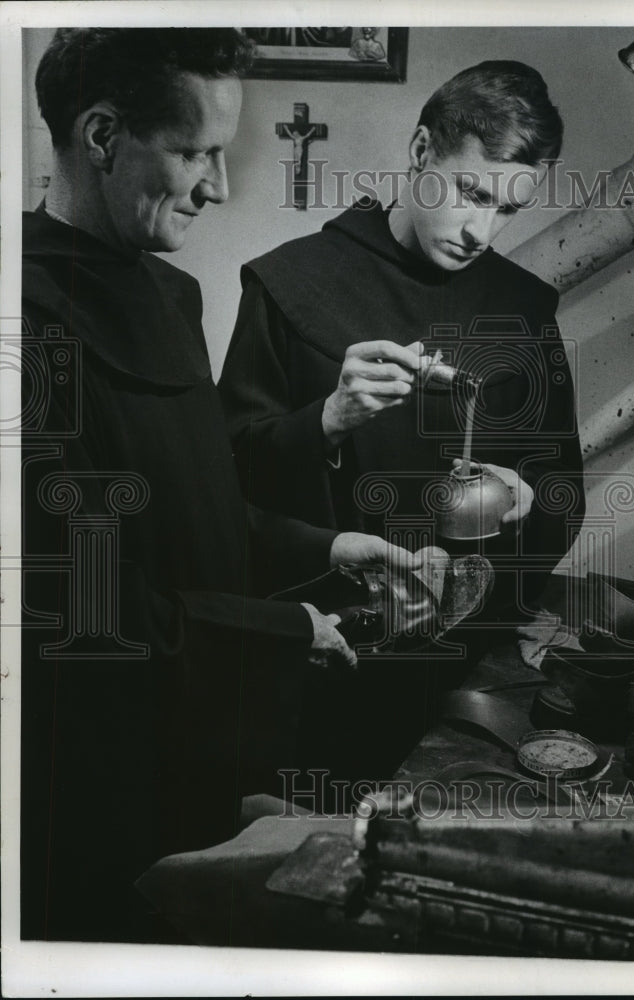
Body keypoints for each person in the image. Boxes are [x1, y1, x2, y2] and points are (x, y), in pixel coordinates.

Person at [20, 27, 418, 944]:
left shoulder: (170, 296)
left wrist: (328, 546)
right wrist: (285, 632)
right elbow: (81, 611)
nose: (219, 186)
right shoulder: (24, 327)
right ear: (102, 135)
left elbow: (194, 508)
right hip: (94, 780)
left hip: (194, 743)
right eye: (195, 152)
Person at [218, 60, 586, 788]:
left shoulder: (522, 310)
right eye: (470, 192)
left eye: (506, 210)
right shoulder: (290, 284)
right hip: (326, 663)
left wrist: (527, 499)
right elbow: (225, 480)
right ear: (421, 153)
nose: (480, 231)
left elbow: (562, 489)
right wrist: (326, 421)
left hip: (463, 675)